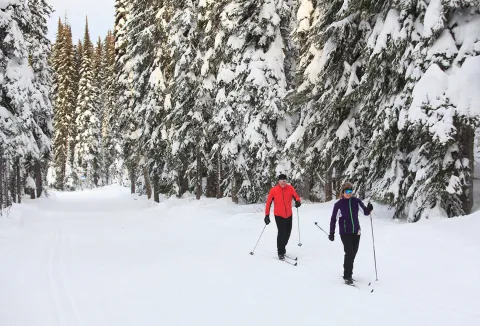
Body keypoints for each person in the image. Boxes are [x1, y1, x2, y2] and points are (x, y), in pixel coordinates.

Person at [329, 182, 373, 285]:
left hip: (356, 231)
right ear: (343, 192)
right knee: (349, 252)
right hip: (345, 232)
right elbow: (333, 219)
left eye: (350, 191)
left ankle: (347, 268)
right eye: (347, 191)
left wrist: (369, 208)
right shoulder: (338, 205)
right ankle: (347, 275)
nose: (349, 193)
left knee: (353, 253)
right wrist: (332, 232)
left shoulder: (356, 201)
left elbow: (365, 212)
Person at [265, 174, 301, 260]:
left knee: (288, 233)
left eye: (284, 181)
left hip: (288, 214)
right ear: (278, 181)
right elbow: (268, 203)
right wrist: (267, 215)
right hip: (279, 215)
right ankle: (280, 251)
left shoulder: (290, 188)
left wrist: (298, 201)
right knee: (281, 233)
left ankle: (282, 247)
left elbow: (296, 196)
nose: (283, 183)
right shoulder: (274, 190)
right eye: (281, 181)